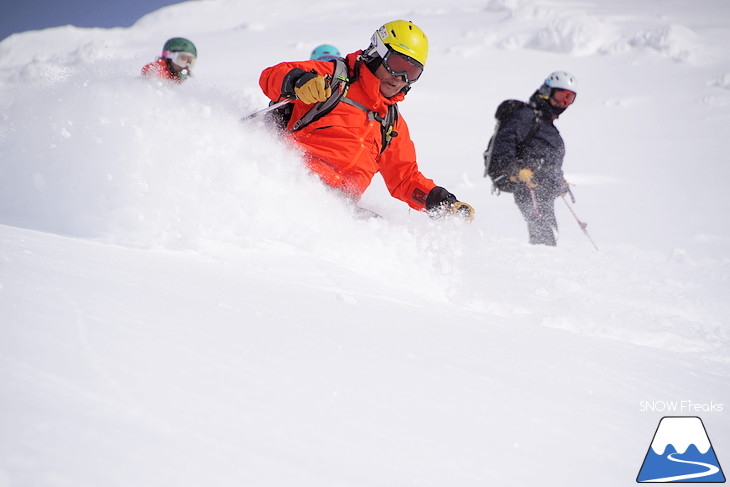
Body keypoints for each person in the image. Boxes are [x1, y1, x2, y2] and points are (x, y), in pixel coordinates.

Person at [258, 20, 474, 220]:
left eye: (412, 72)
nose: (401, 78)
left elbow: (405, 178)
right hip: (291, 183)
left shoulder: (390, 123)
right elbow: (271, 76)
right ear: (377, 53)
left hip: (336, 208)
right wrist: (298, 81)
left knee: (387, 237)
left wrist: (442, 202)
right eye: (398, 64)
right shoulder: (334, 79)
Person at [486, 71, 577, 245]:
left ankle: (543, 262)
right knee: (544, 232)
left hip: (542, 189)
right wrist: (516, 171)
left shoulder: (546, 126)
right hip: (527, 187)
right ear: (547, 90)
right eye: (560, 96)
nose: (564, 103)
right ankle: (540, 264)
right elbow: (503, 146)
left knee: (549, 233)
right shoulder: (526, 117)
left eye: (569, 99)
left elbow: (545, 159)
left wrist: (558, 181)